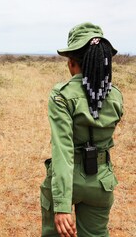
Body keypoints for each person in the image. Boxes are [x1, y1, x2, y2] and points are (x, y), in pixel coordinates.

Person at [40, 22, 123, 236]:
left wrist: (61, 205)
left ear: (71, 62)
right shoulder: (115, 95)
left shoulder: (62, 95)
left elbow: (63, 151)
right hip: (101, 180)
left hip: (68, 180)